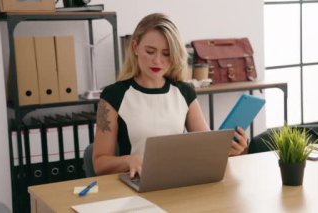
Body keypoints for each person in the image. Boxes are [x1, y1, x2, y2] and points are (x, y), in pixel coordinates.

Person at [93, 13, 248, 178]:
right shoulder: (112, 96)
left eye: (166, 53)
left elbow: (208, 149)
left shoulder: (184, 91)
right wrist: (129, 161)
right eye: (150, 51)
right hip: (136, 184)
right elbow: (99, 164)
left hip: (178, 181)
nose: (157, 60)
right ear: (135, 47)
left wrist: (234, 150)